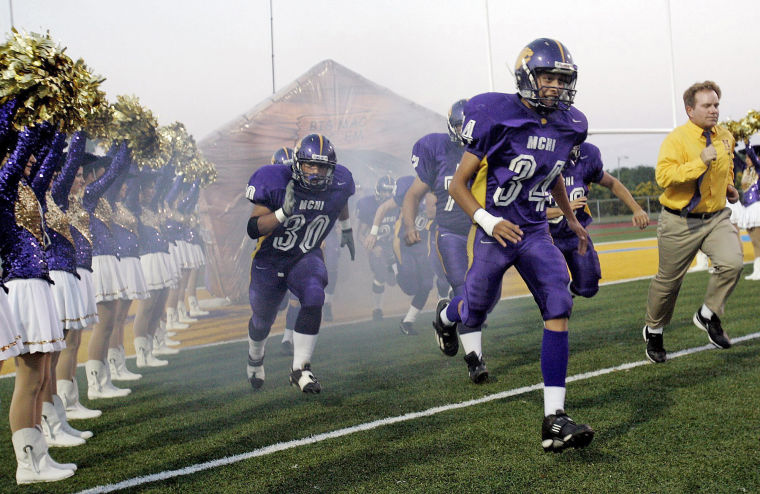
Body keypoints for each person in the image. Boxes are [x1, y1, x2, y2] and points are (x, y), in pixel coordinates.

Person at [432, 38, 594, 453]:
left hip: (536, 231)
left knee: (559, 301)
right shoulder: (495, 113)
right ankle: (447, 317)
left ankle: (554, 418)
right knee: (475, 310)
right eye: (548, 77)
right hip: (495, 231)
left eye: (562, 79)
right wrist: (489, 221)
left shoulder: (571, 123)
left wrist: (572, 219)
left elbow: (553, 172)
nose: (556, 86)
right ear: (527, 76)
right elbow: (458, 183)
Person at [245, 133, 355, 393]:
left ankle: (300, 369)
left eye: (322, 166)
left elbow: (341, 202)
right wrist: (283, 212)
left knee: (315, 293)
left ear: (331, 168)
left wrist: (347, 228)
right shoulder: (274, 180)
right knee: (262, 319)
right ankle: (255, 356)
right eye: (309, 165)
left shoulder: (341, 181)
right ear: (298, 164)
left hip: (305, 253)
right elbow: (253, 228)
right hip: (271, 257)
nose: (315, 171)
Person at [642, 80, 743, 364]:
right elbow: (664, 178)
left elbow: (728, 167)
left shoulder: (725, 136)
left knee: (733, 263)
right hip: (680, 221)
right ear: (690, 110)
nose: (714, 110)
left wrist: (730, 186)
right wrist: (699, 162)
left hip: (716, 217)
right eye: (707, 105)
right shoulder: (676, 139)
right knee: (669, 282)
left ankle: (708, 314)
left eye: (716, 104)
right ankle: (654, 330)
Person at [546, 142, 649, 297]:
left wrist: (637, 209)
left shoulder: (586, 158)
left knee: (588, 287)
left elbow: (613, 183)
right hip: (545, 236)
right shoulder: (537, 164)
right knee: (553, 288)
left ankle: (567, 294)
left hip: (576, 234)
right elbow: (526, 211)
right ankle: (556, 306)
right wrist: (563, 209)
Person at [402, 99, 471, 306]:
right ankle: (456, 318)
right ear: (452, 126)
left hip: (480, 231)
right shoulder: (440, 150)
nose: (467, 132)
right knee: (462, 288)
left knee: (487, 294)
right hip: (451, 229)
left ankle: (447, 319)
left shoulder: (488, 152)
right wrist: (410, 225)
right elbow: (413, 195)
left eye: (471, 126)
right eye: (461, 126)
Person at [393, 175, 436, 335]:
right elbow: (397, 241)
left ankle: (407, 322)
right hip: (406, 248)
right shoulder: (408, 204)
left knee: (426, 285)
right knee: (410, 288)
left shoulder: (431, 200)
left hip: (422, 249)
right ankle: (395, 269)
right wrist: (399, 262)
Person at [356, 175, 398, 321]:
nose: (387, 195)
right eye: (385, 192)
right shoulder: (369, 206)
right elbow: (360, 235)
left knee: (394, 280)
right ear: (378, 191)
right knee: (380, 276)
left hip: (394, 246)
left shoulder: (397, 205)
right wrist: (373, 247)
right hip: (378, 247)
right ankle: (377, 308)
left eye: (390, 192)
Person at [738, 141, 760, 279]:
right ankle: (757, 270)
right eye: (745, 157)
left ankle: (759, 270)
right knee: (754, 241)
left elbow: (754, 157)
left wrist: (747, 144)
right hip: (748, 208)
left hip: (757, 207)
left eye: (748, 157)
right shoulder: (747, 171)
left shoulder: (758, 169)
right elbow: (735, 160)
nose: (746, 159)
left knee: (758, 240)